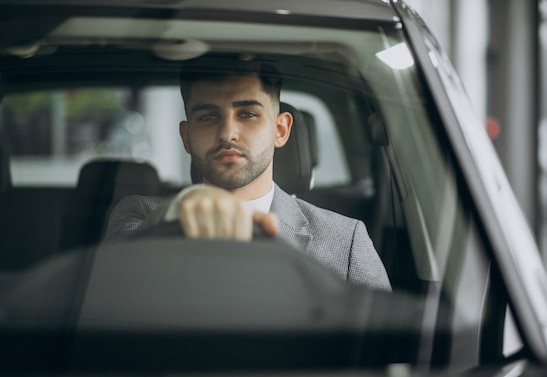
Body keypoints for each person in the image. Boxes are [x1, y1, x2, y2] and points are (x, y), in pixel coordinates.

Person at [105, 55, 391, 291]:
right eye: (207, 116)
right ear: (187, 136)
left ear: (280, 130)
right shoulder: (140, 215)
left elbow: (384, 353)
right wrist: (177, 216)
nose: (227, 133)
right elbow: (114, 294)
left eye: (247, 114)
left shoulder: (345, 240)